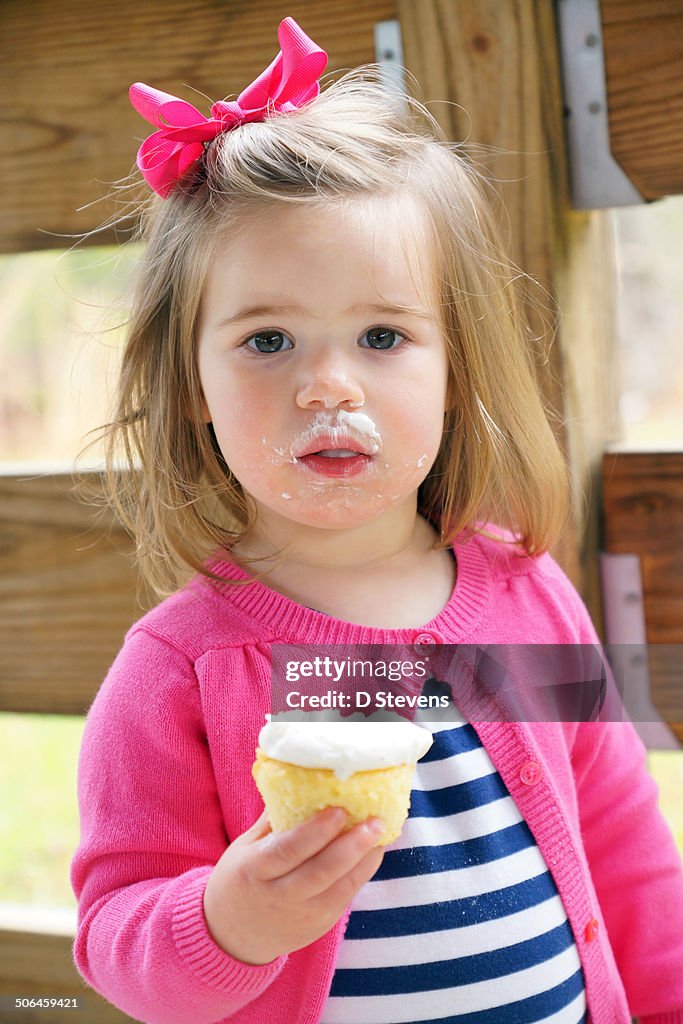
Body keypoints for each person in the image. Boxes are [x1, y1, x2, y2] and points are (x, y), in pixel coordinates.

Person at [70, 16, 683, 1024]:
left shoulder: (527, 600)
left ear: (453, 371)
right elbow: (113, 938)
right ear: (190, 384)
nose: (327, 386)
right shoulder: (181, 668)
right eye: (267, 338)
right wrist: (226, 921)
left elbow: (622, 847)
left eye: (381, 334)